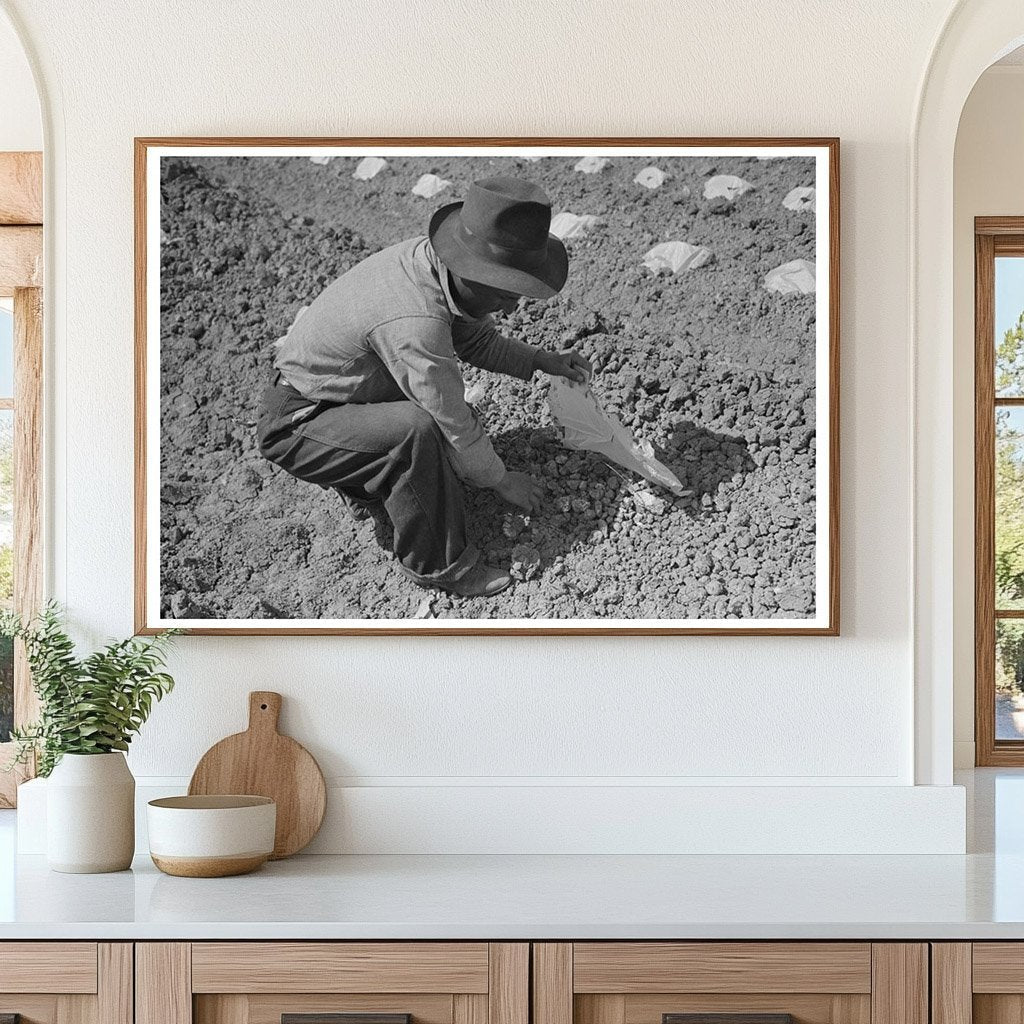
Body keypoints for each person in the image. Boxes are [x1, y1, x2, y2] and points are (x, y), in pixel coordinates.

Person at [257, 175, 592, 599]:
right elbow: (449, 417)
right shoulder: (415, 321)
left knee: (441, 431)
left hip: (337, 396)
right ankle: (441, 566)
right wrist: (503, 479)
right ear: (474, 273)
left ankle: (370, 484)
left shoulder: (433, 267)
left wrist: (540, 361)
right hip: (298, 424)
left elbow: (473, 337)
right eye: (508, 292)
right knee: (416, 431)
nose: (511, 306)